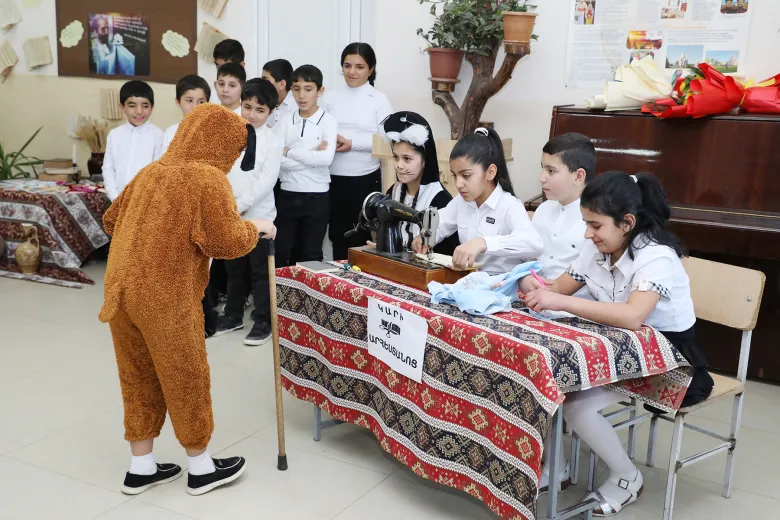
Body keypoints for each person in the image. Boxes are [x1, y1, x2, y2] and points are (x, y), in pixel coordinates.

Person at [99, 103, 276, 496]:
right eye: (235, 149)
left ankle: (141, 467)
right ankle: (201, 467)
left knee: (137, 376)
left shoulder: (151, 171)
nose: (234, 159)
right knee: (185, 376)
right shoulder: (206, 177)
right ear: (223, 144)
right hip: (163, 294)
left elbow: (111, 220)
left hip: (119, 291)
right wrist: (257, 227)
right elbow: (225, 242)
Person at [520, 172, 714, 516]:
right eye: (586, 224)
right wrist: (526, 283)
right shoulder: (596, 248)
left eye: (595, 225)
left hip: (667, 359)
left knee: (577, 406)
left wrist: (559, 302)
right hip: (614, 348)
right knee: (546, 381)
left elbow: (632, 316)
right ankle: (557, 467)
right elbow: (558, 288)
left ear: (627, 223)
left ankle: (627, 477)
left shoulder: (657, 257)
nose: (587, 234)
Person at [412, 128, 543, 273]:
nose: (458, 184)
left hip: (502, 282)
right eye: (455, 175)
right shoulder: (461, 202)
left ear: (490, 172)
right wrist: (425, 237)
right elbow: (441, 224)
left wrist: (483, 243)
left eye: (466, 175)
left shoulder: (509, 206)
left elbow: (533, 243)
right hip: (470, 280)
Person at [216, 79, 283, 345]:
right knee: (234, 269)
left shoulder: (273, 141)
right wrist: (226, 204)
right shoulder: (229, 133)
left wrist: (239, 205)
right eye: (247, 107)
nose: (252, 115)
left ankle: (264, 321)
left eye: (260, 110)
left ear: (271, 112)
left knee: (260, 272)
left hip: (259, 216)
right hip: (230, 213)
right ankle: (233, 315)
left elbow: (266, 182)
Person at [325, 42, 393, 260]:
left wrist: (352, 143)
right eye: (347, 66)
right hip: (330, 177)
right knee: (337, 234)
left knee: (360, 236)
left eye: (359, 67)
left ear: (371, 69)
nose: (352, 72)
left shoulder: (379, 99)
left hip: (364, 178)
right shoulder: (329, 97)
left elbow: (387, 139)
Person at [272, 64, 337, 266]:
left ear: (320, 91)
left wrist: (289, 151)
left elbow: (325, 160)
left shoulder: (328, 121)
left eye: (308, 89)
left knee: (310, 255)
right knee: (281, 252)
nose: (302, 95)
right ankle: (280, 289)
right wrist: (311, 155)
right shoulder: (285, 121)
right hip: (287, 193)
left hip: (317, 196)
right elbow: (276, 159)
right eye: (296, 89)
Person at [377, 111, 458, 255]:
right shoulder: (394, 192)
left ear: (424, 160)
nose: (399, 165)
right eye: (396, 157)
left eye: (407, 159)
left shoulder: (440, 199)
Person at [532, 133, 595, 296]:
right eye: (542, 168)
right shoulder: (543, 209)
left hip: (576, 304)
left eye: (551, 171)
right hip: (537, 295)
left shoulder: (595, 220)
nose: (541, 177)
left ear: (578, 176)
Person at [102, 80, 164, 201]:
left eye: (145, 106)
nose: (139, 111)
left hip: (145, 202)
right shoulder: (114, 135)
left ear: (152, 108)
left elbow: (158, 173)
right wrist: (115, 198)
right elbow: (108, 168)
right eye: (132, 105)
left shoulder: (158, 135)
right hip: (118, 201)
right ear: (122, 107)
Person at [162, 75, 210, 152]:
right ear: (178, 102)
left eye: (201, 102)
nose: (195, 107)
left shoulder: (213, 132)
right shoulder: (171, 132)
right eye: (189, 100)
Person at [261, 58, 295, 128]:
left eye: (265, 81)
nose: (261, 84)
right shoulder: (263, 103)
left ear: (282, 84)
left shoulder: (297, 107)